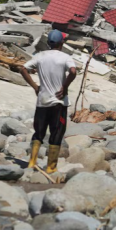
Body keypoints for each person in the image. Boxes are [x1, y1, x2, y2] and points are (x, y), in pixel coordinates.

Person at [19, 29, 77, 173]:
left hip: (42, 101)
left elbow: (23, 69)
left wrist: (35, 87)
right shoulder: (65, 57)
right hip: (59, 102)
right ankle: (51, 167)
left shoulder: (40, 56)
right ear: (61, 43)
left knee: (38, 133)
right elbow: (73, 72)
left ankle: (32, 163)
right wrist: (65, 86)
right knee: (56, 133)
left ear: (48, 43)